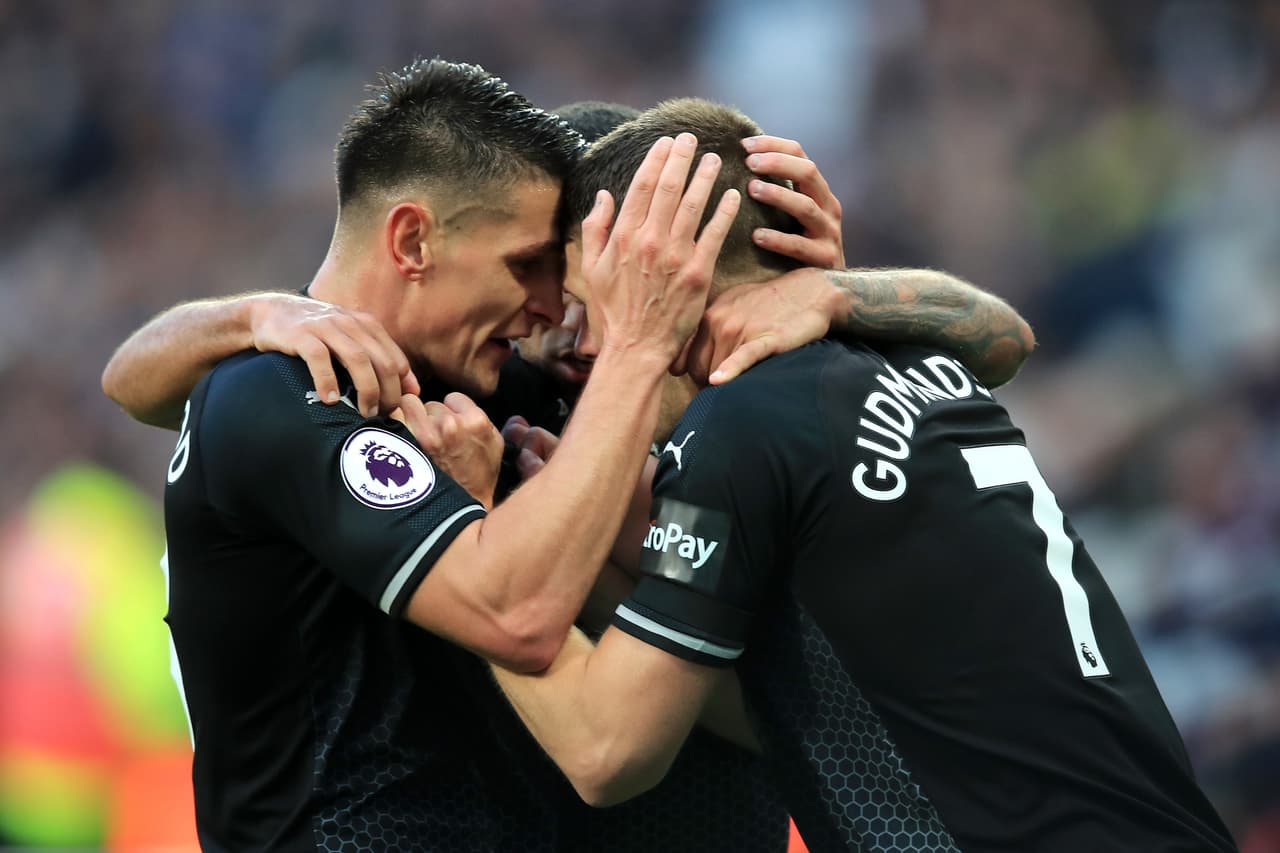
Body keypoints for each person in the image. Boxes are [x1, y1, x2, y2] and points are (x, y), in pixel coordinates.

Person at [104, 86, 1035, 850]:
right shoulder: (309, 391)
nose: (555, 312)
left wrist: (829, 292)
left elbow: (998, 339)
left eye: (578, 281)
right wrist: (247, 314)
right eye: (539, 270)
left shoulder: (597, 386)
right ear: (415, 242)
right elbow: (145, 383)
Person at [479, 99, 1240, 853]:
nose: (582, 333)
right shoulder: (925, 363)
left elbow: (606, 750)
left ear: (663, 276)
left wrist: (472, 530)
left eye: (589, 298)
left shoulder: (736, 429)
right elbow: (807, 712)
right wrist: (610, 565)